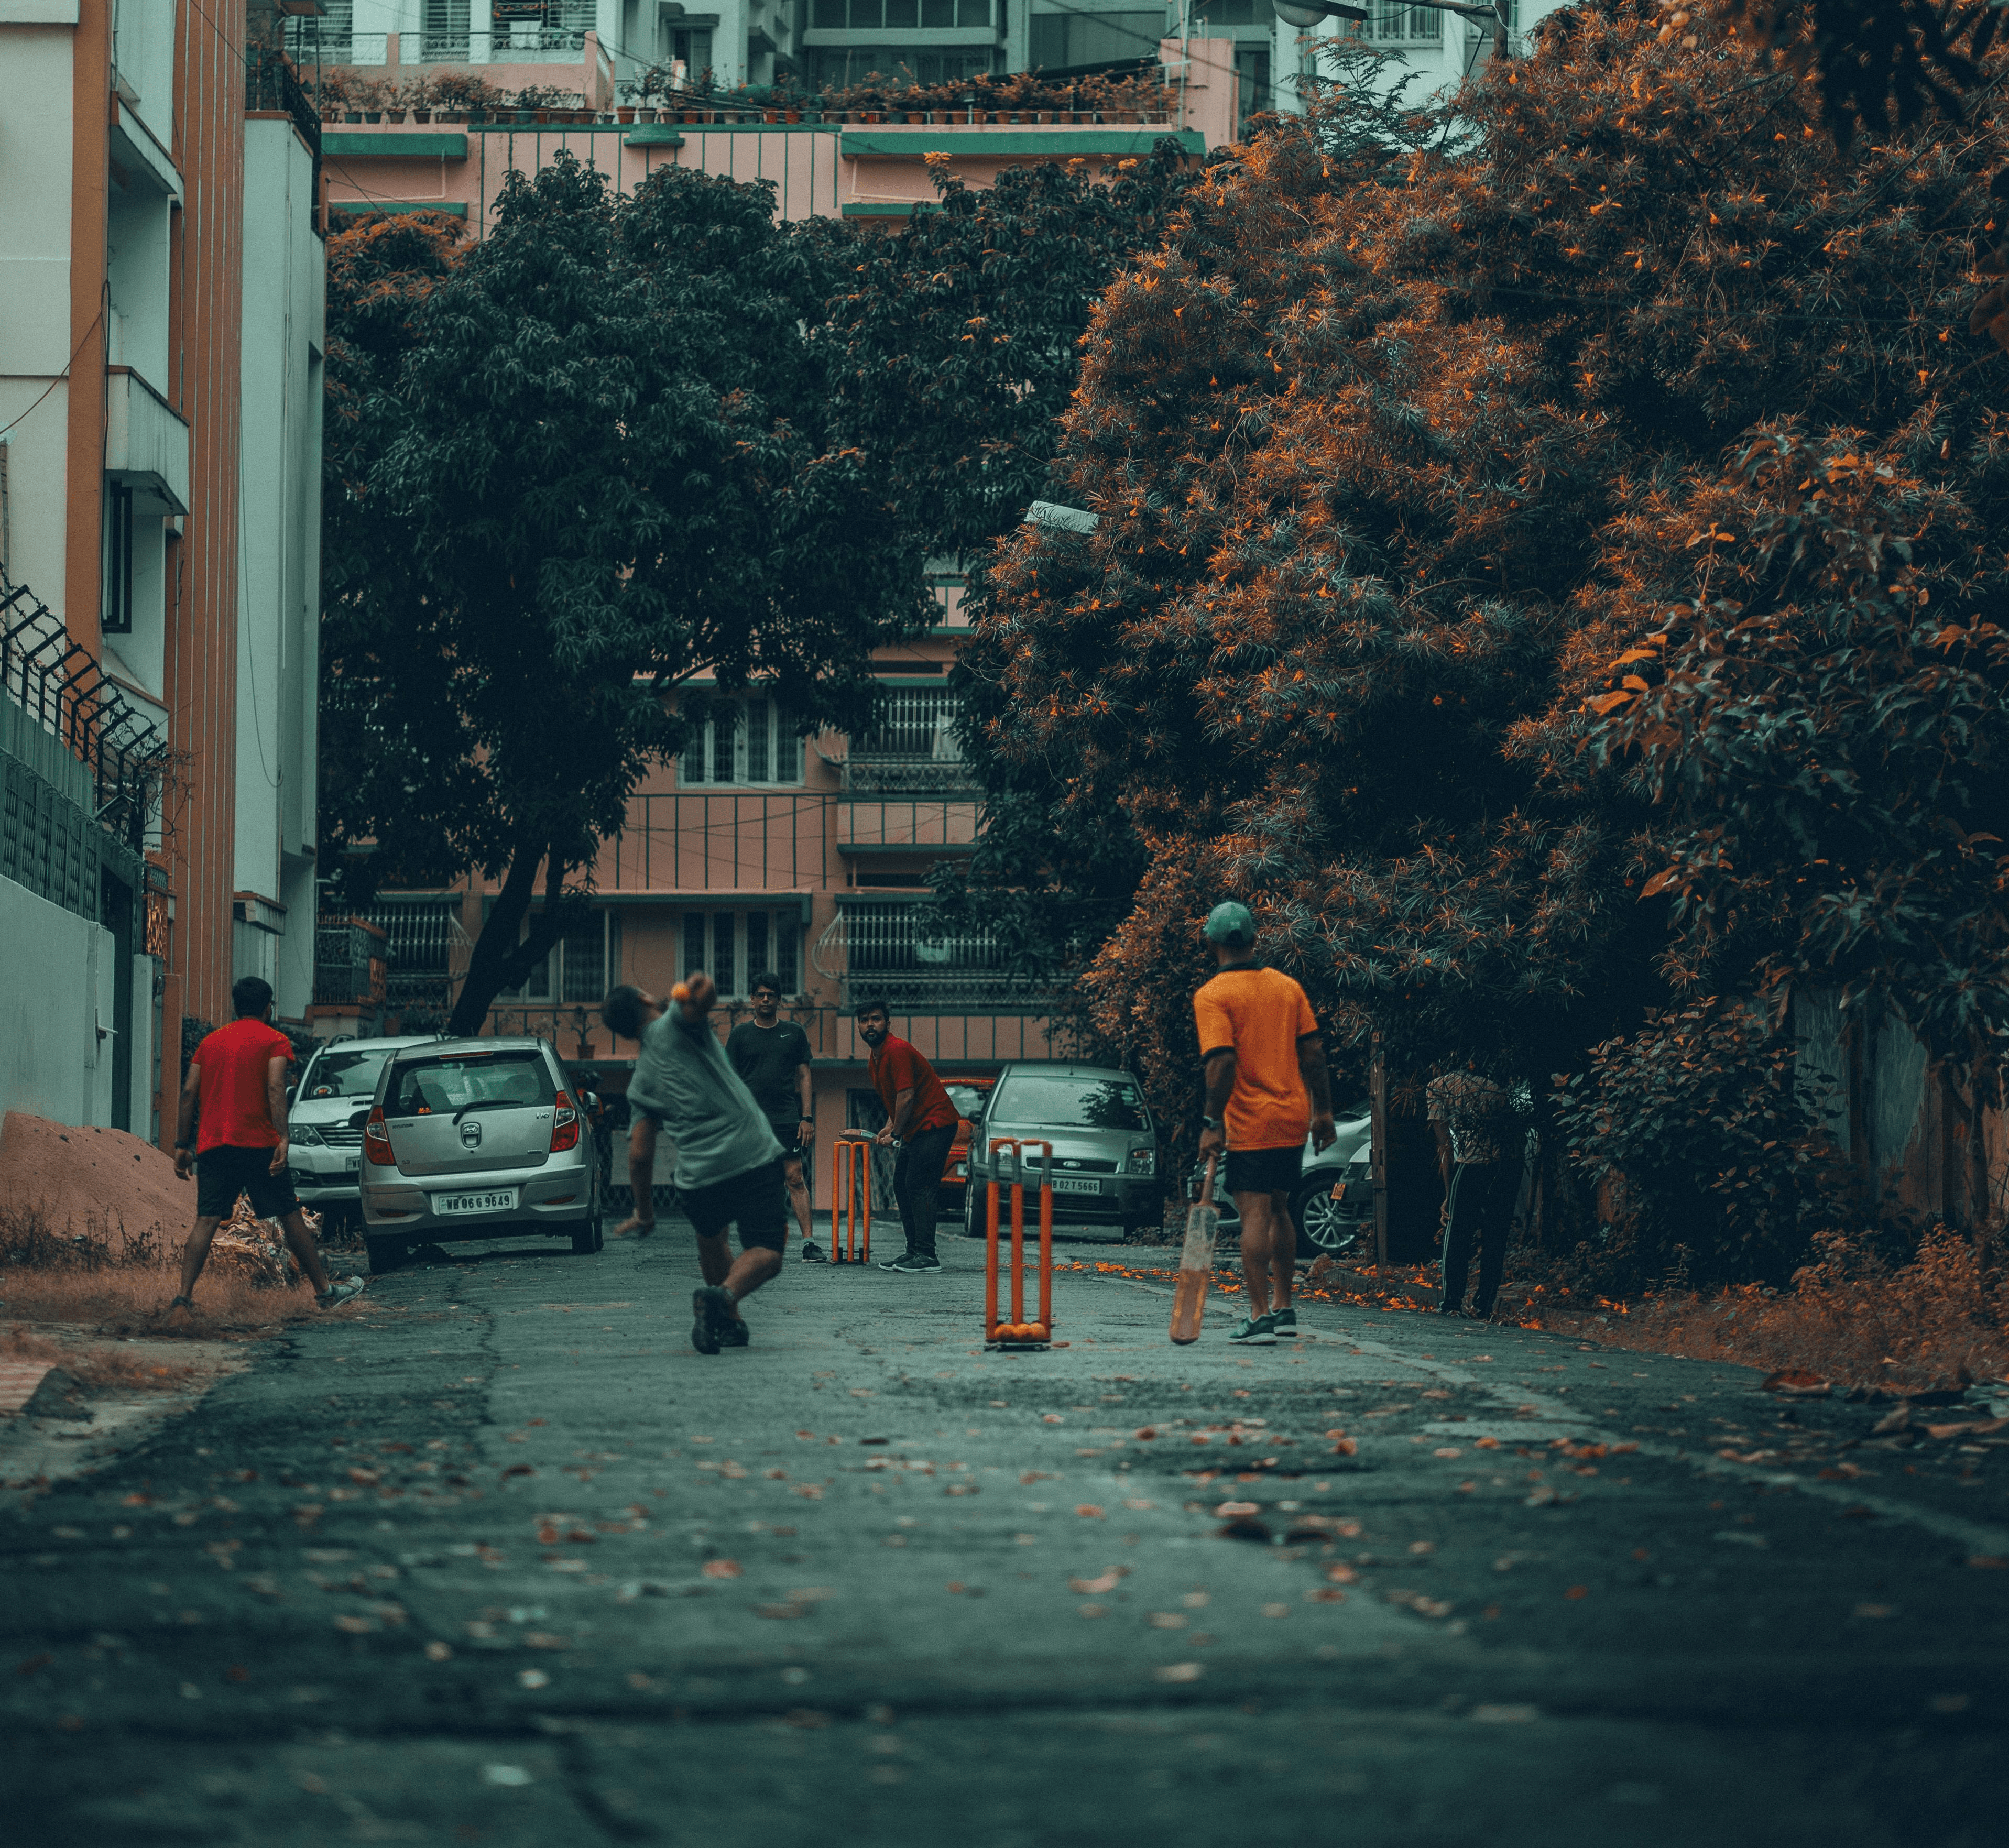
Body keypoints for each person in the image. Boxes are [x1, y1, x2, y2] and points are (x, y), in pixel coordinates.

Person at [600, 976, 789, 1354]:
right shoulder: (675, 1020)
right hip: (750, 1155)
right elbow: (705, 990)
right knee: (768, 1252)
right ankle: (722, 1297)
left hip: (698, 1178)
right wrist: (684, 989)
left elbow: (639, 1155)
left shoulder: (640, 1082)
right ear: (643, 995)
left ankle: (730, 1324)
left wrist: (645, 1213)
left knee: (712, 1238)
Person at [169, 976, 364, 1314]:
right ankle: (325, 1292)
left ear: (235, 1006)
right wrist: (284, 1138)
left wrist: (182, 1145)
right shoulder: (274, 1040)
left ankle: (183, 1299)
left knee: (206, 1220)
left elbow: (188, 1093)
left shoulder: (210, 1043)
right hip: (258, 1143)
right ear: (268, 1007)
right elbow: (276, 1087)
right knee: (290, 1215)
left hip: (215, 1145)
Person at [1193, 902, 1335, 1345]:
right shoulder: (1287, 987)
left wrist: (1212, 1120)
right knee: (1279, 1209)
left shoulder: (1213, 995)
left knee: (1253, 1212)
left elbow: (1222, 1063)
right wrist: (1323, 1111)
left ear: (1213, 943)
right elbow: (1313, 1055)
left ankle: (1258, 1317)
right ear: (1255, 939)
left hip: (1251, 1121)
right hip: (1292, 1117)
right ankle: (1284, 1305)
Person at [855, 997, 959, 1274]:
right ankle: (914, 1251)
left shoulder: (897, 1050)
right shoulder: (875, 1058)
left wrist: (896, 1133)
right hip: (919, 1128)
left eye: (875, 1019)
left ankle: (927, 1255)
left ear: (888, 1024)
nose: (870, 1025)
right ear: (859, 1027)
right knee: (902, 1184)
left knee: (919, 1185)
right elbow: (896, 1100)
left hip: (936, 1124)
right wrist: (890, 1125)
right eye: (864, 1021)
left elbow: (907, 1096)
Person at [725, 973, 821, 1261]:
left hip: (786, 1119)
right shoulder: (740, 1035)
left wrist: (807, 1118)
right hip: (751, 1123)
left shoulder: (794, 1033)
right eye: (761, 994)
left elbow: (804, 1075)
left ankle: (809, 1245)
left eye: (772, 995)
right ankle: (758, 1244)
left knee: (795, 1178)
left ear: (780, 1000)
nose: (766, 999)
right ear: (753, 1000)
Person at [1426, 1065, 1524, 1320]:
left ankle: (1452, 1303)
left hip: (1473, 1163)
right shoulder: (1500, 1085)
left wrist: (1448, 1195)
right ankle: (1484, 1306)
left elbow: (1445, 1146)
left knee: (1457, 1233)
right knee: (1496, 1237)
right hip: (1508, 1165)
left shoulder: (1439, 1086)